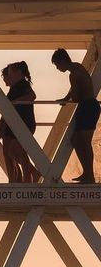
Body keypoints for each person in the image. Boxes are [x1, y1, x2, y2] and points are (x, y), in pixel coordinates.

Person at [52, 48, 100, 183]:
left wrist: (69, 99)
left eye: (57, 65)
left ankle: (89, 175)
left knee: (83, 142)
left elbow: (77, 97)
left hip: (86, 107)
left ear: (61, 61)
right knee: (77, 140)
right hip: (91, 106)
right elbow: (75, 89)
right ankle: (87, 173)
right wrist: (66, 98)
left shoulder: (72, 74)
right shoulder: (78, 67)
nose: (57, 68)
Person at [0, 61, 40, 183]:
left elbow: (32, 96)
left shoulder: (23, 85)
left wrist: (15, 102)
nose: (8, 76)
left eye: (10, 72)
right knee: (9, 152)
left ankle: (28, 180)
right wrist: (2, 122)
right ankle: (21, 178)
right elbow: (8, 109)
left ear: (18, 73)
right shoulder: (15, 88)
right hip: (14, 123)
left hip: (23, 123)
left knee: (18, 152)